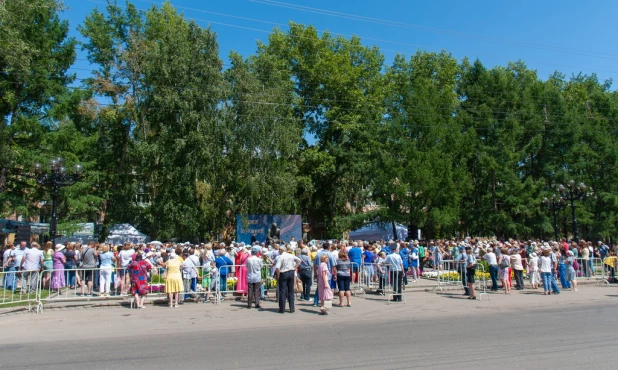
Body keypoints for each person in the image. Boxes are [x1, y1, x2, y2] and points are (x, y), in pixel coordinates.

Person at [274, 245, 300, 313]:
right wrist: (295, 267)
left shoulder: (281, 257)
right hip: (291, 272)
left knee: (282, 291)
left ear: (281, 250)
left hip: (283, 273)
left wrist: (278, 275)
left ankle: (282, 309)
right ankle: (292, 308)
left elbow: (277, 268)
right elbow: (299, 260)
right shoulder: (290, 255)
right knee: (291, 291)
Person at [313, 242, 336, 307]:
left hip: (319, 274)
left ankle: (316, 301)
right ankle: (325, 304)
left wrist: (315, 272)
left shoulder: (318, 254)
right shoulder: (330, 254)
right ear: (329, 247)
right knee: (326, 289)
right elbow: (333, 265)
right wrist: (335, 273)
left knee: (319, 288)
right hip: (327, 275)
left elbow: (314, 264)